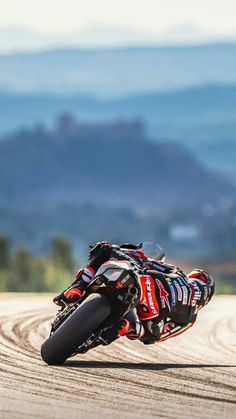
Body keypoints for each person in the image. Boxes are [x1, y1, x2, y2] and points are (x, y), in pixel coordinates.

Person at [54, 241, 215, 345]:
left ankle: (78, 287)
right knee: (150, 334)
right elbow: (164, 334)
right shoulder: (190, 317)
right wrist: (144, 331)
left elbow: (148, 262)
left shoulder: (178, 274)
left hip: (143, 288)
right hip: (148, 314)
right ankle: (127, 327)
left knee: (104, 248)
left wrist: (133, 253)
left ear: (195, 277)